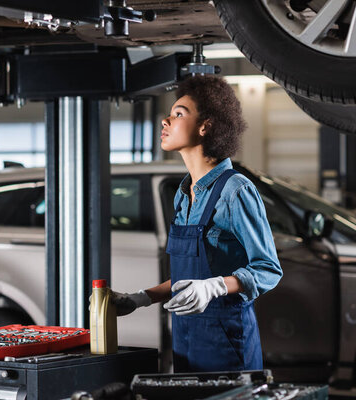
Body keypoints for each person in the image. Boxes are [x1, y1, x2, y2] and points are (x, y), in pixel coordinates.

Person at [112, 75, 282, 372]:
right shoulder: (183, 193)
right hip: (185, 342)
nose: (165, 121)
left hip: (226, 344)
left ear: (206, 126)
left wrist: (214, 287)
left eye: (179, 114)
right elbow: (188, 278)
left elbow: (267, 270)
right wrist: (141, 298)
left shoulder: (235, 190)